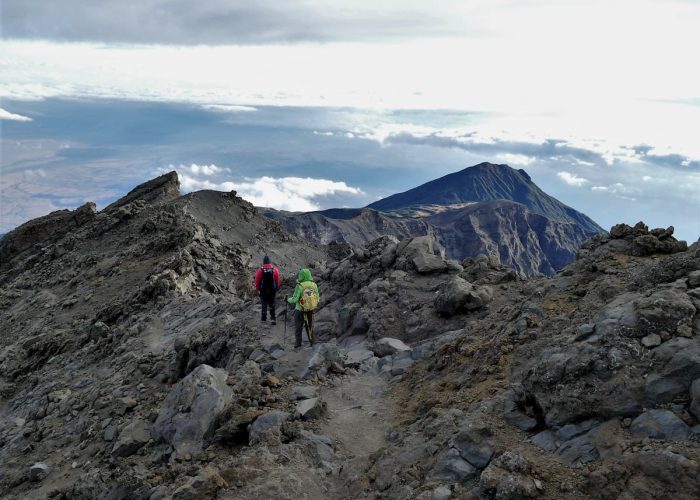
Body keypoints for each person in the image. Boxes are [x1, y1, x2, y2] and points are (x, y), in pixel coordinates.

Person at [287, 268, 320, 348]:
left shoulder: (299, 286)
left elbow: (295, 299)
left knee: (298, 327)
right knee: (310, 326)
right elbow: (318, 298)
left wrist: (288, 299)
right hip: (310, 310)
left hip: (300, 310)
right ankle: (312, 342)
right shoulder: (314, 285)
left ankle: (298, 344)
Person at [254, 256, 280, 324]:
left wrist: (258, 288)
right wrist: (277, 287)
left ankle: (263, 318)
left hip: (263, 290)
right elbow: (277, 279)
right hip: (272, 289)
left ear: (263, 262)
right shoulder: (274, 269)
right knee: (272, 303)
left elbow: (257, 280)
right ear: (270, 261)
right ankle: (273, 318)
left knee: (264, 303)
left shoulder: (260, 270)